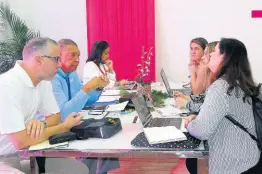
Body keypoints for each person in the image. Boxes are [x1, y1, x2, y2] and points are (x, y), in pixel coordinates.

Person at [0, 37, 82, 173]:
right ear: (39, 60)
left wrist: (42, 124)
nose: (60, 64)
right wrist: (64, 127)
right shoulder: (7, 86)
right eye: (56, 59)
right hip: (5, 156)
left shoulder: (43, 81)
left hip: (16, 154)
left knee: (75, 169)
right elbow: (20, 141)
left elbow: (55, 116)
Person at [186, 38, 260, 173]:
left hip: (235, 163)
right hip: (249, 155)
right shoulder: (237, 82)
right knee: (191, 162)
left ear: (224, 57)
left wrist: (190, 123)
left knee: (191, 162)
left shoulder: (222, 86)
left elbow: (201, 131)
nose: (210, 55)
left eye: (214, 51)